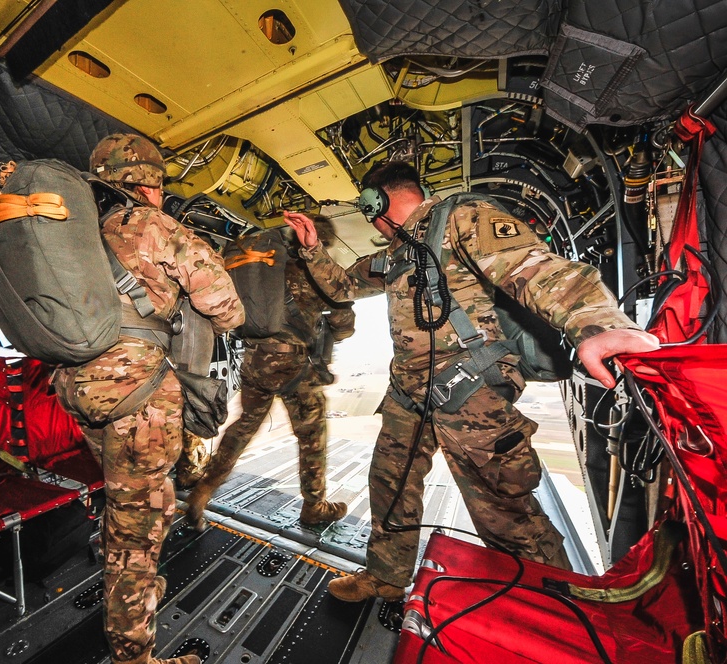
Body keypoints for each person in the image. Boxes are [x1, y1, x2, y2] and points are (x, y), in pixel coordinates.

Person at [283, 160, 660, 603]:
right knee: (390, 483)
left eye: (370, 209)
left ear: (377, 201)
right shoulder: (397, 252)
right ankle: (386, 576)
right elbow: (343, 286)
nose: (372, 221)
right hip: (408, 392)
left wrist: (596, 324)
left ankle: (559, 609)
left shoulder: (461, 217)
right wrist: (311, 249)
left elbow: (536, 268)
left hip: (470, 390)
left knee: (503, 511)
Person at [53, 133, 244, 664]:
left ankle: (130, 588)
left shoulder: (71, 229)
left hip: (77, 385)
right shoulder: (149, 224)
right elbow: (226, 307)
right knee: (135, 531)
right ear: (150, 184)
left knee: (127, 504)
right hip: (136, 393)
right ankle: (132, 650)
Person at [185, 224, 355, 531]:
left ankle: (204, 490)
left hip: (255, 358)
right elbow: (344, 321)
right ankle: (314, 506)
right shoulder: (313, 270)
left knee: (245, 425)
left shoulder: (267, 266)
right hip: (294, 364)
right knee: (312, 435)